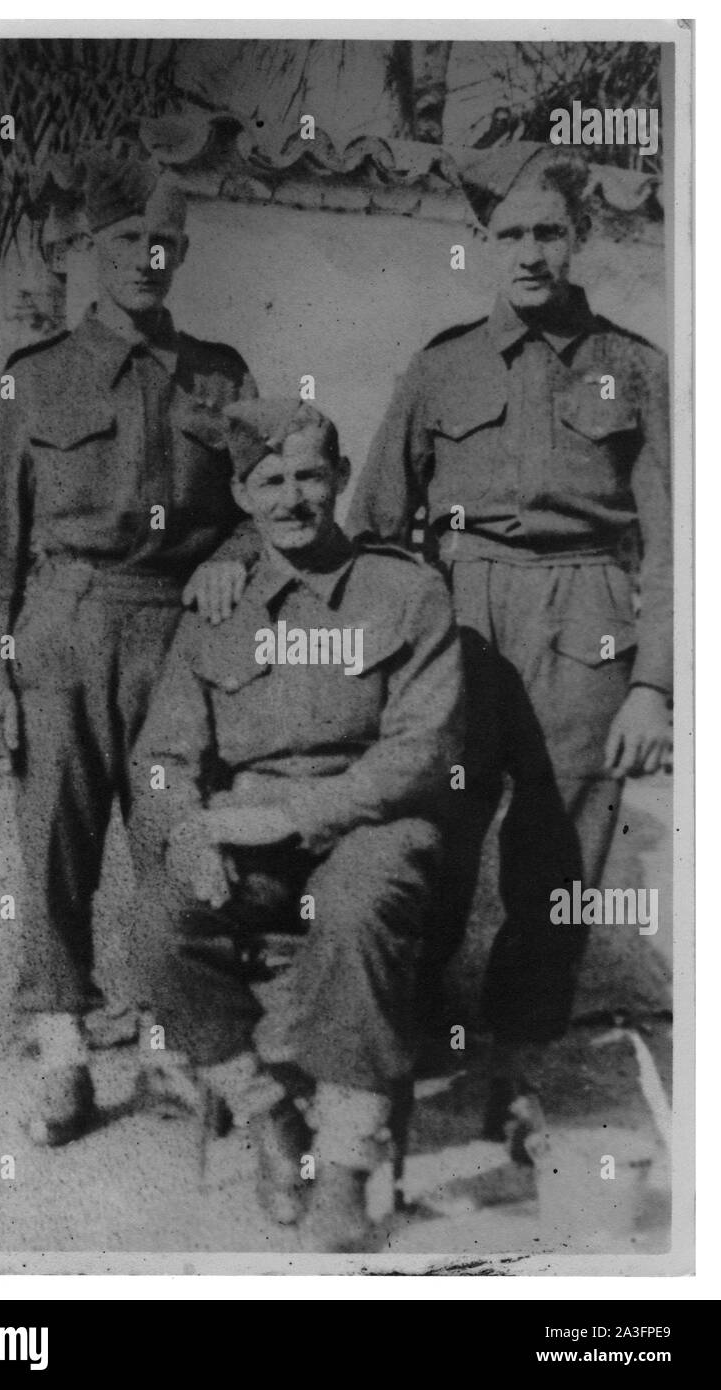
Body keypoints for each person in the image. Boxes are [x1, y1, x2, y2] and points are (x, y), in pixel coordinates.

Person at [346, 143, 672, 1149]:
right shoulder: (439, 364)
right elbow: (373, 527)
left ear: (578, 238)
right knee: (425, 845)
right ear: (481, 243)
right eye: (509, 234)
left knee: (557, 863)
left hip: (587, 626)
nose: (528, 252)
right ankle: (393, 1066)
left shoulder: (635, 368)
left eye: (547, 231)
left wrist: (654, 683)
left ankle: (517, 1071)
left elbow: (677, 540)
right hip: (461, 626)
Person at [0, 148, 258, 1144]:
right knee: (55, 838)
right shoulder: (32, 380)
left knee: (171, 837)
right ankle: (62, 1050)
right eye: (126, 237)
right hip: (66, 621)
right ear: (92, 248)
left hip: (180, 631)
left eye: (164, 237)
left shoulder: (221, 376)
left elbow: (277, 500)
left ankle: (172, 1041)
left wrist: (235, 555)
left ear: (185, 247)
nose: (147, 254)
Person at [126, 399, 463, 1250]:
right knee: (158, 922)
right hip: (245, 833)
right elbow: (162, 756)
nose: (292, 498)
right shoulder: (215, 609)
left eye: (310, 475)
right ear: (242, 495)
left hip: (373, 822)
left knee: (357, 909)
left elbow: (420, 753)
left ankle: (347, 1163)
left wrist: (289, 815)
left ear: (343, 478)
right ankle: (270, 1117)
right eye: (269, 481)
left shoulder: (408, 592)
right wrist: (185, 828)